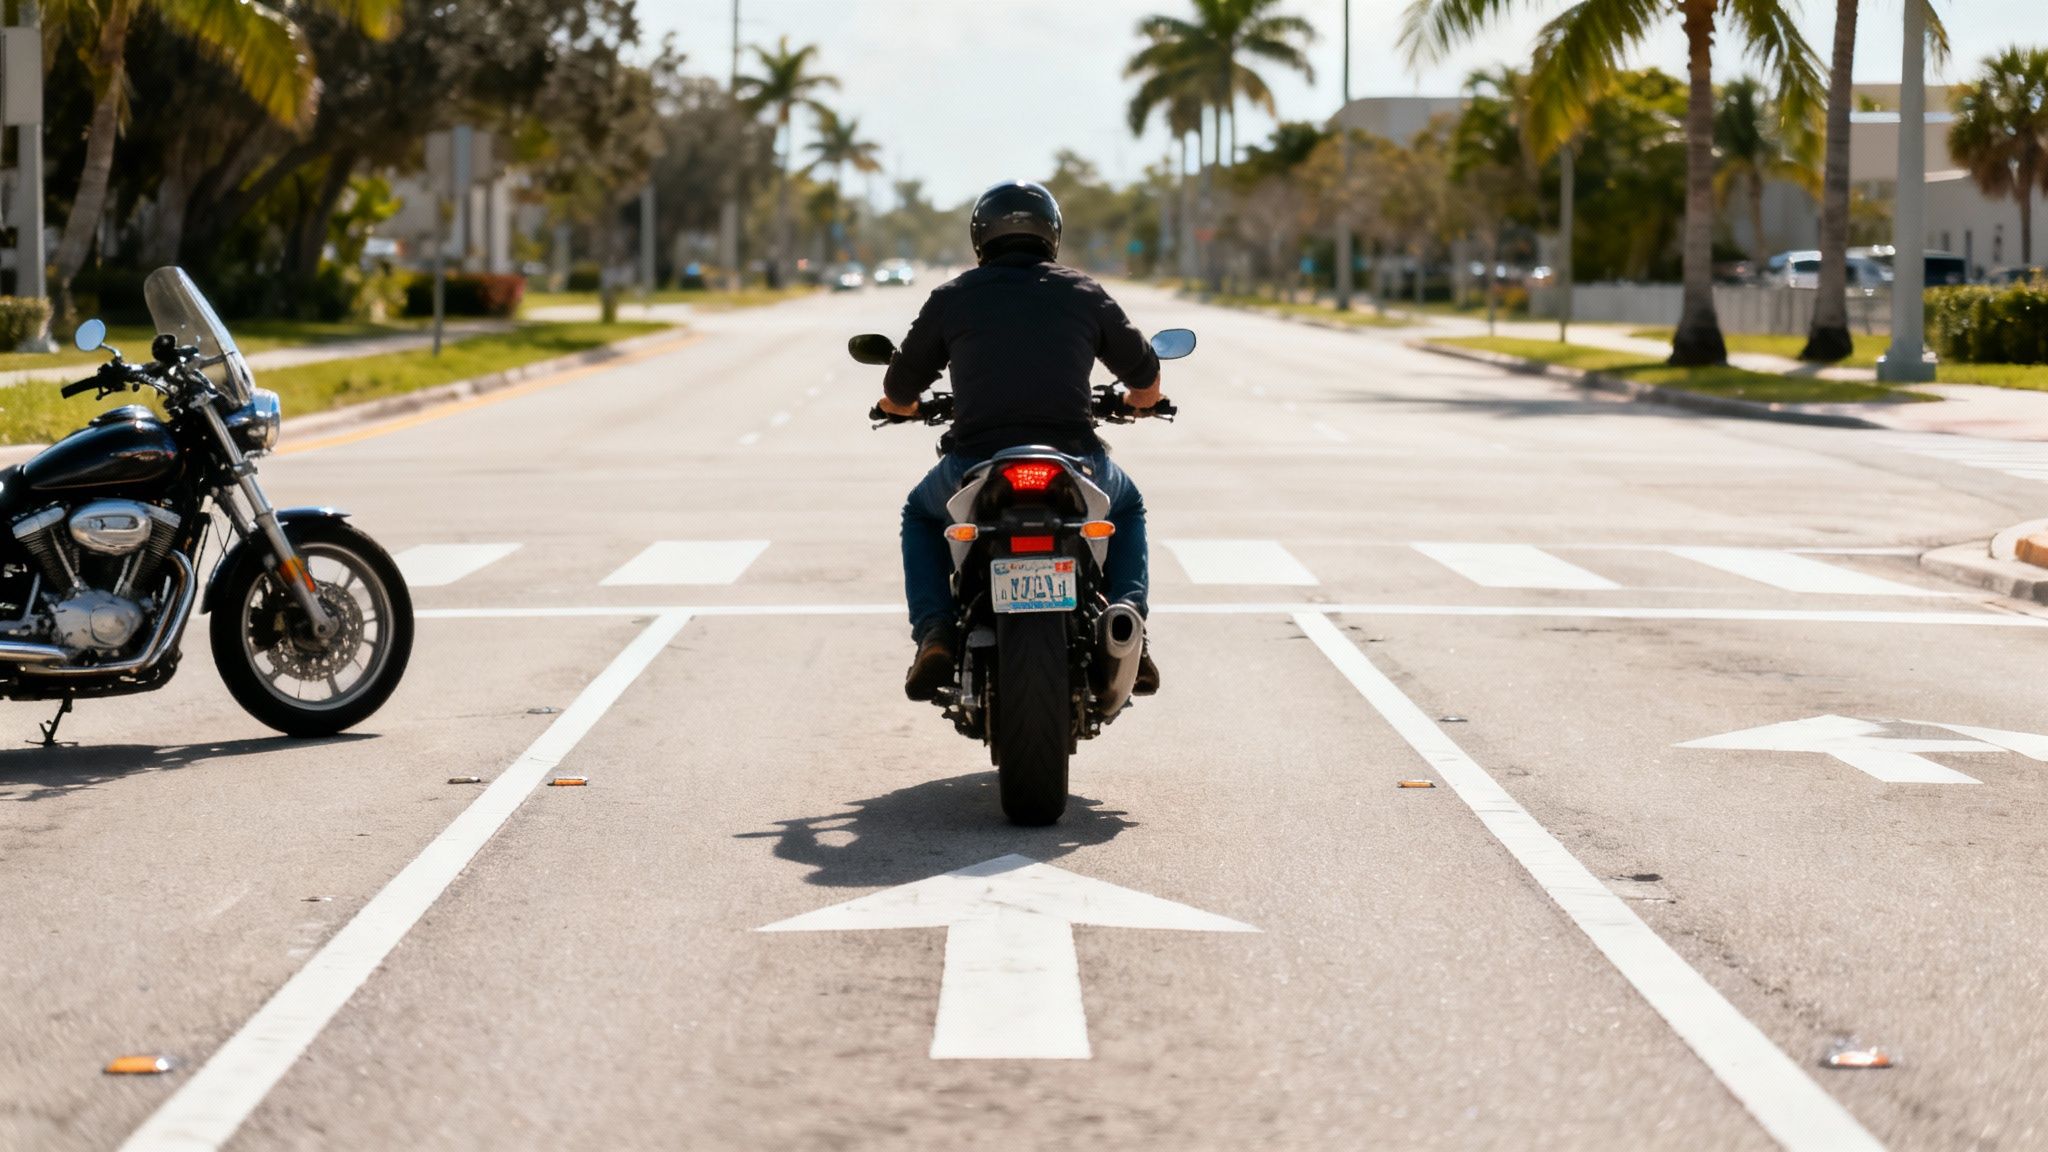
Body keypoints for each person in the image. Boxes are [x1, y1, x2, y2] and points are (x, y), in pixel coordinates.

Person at [877, 179, 1163, 702]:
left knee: (920, 514)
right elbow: (1146, 375)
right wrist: (1138, 401)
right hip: (1075, 461)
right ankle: (1131, 631)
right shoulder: (1083, 291)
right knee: (1129, 506)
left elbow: (897, 389)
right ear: (1052, 234)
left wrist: (901, 408)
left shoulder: (953, 296)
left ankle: (935, 632)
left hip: (976, 463)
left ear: (980, 238)